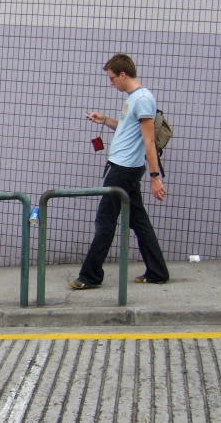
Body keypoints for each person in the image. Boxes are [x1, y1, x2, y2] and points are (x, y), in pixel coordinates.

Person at [69, 54, 169, 289]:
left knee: (105, 221)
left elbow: (149, 141)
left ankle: (90, 276)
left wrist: (156, 178)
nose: (111, 82)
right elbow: (127, 128)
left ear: (123, 74)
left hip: (123, 170)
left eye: (113, 78)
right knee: (138, 220)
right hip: (125, 168)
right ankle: (157, 271)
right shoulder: (134, 98)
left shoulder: (143, 99)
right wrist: (105, 120)